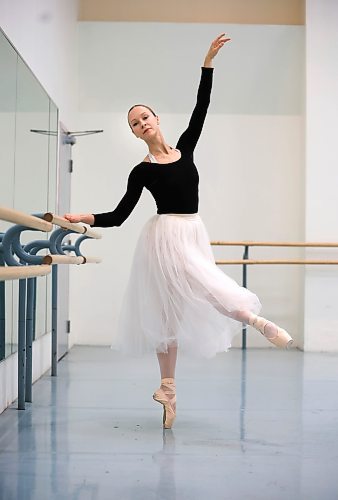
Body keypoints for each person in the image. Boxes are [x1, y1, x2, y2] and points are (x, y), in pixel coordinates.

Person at [65, 34, 293, 430]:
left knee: (202, 290)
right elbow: (119, 215)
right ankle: (240, 334)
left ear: (156, 120)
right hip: (164, 238)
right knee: (172, 310)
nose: (141, 123)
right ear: (135, 133)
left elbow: (201, 108)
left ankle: (183, 377)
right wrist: (83, 217)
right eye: (135, 123)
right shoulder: (142, 170)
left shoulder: (185, 148)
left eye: (144, 117)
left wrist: (207, 63)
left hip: (192, 231)